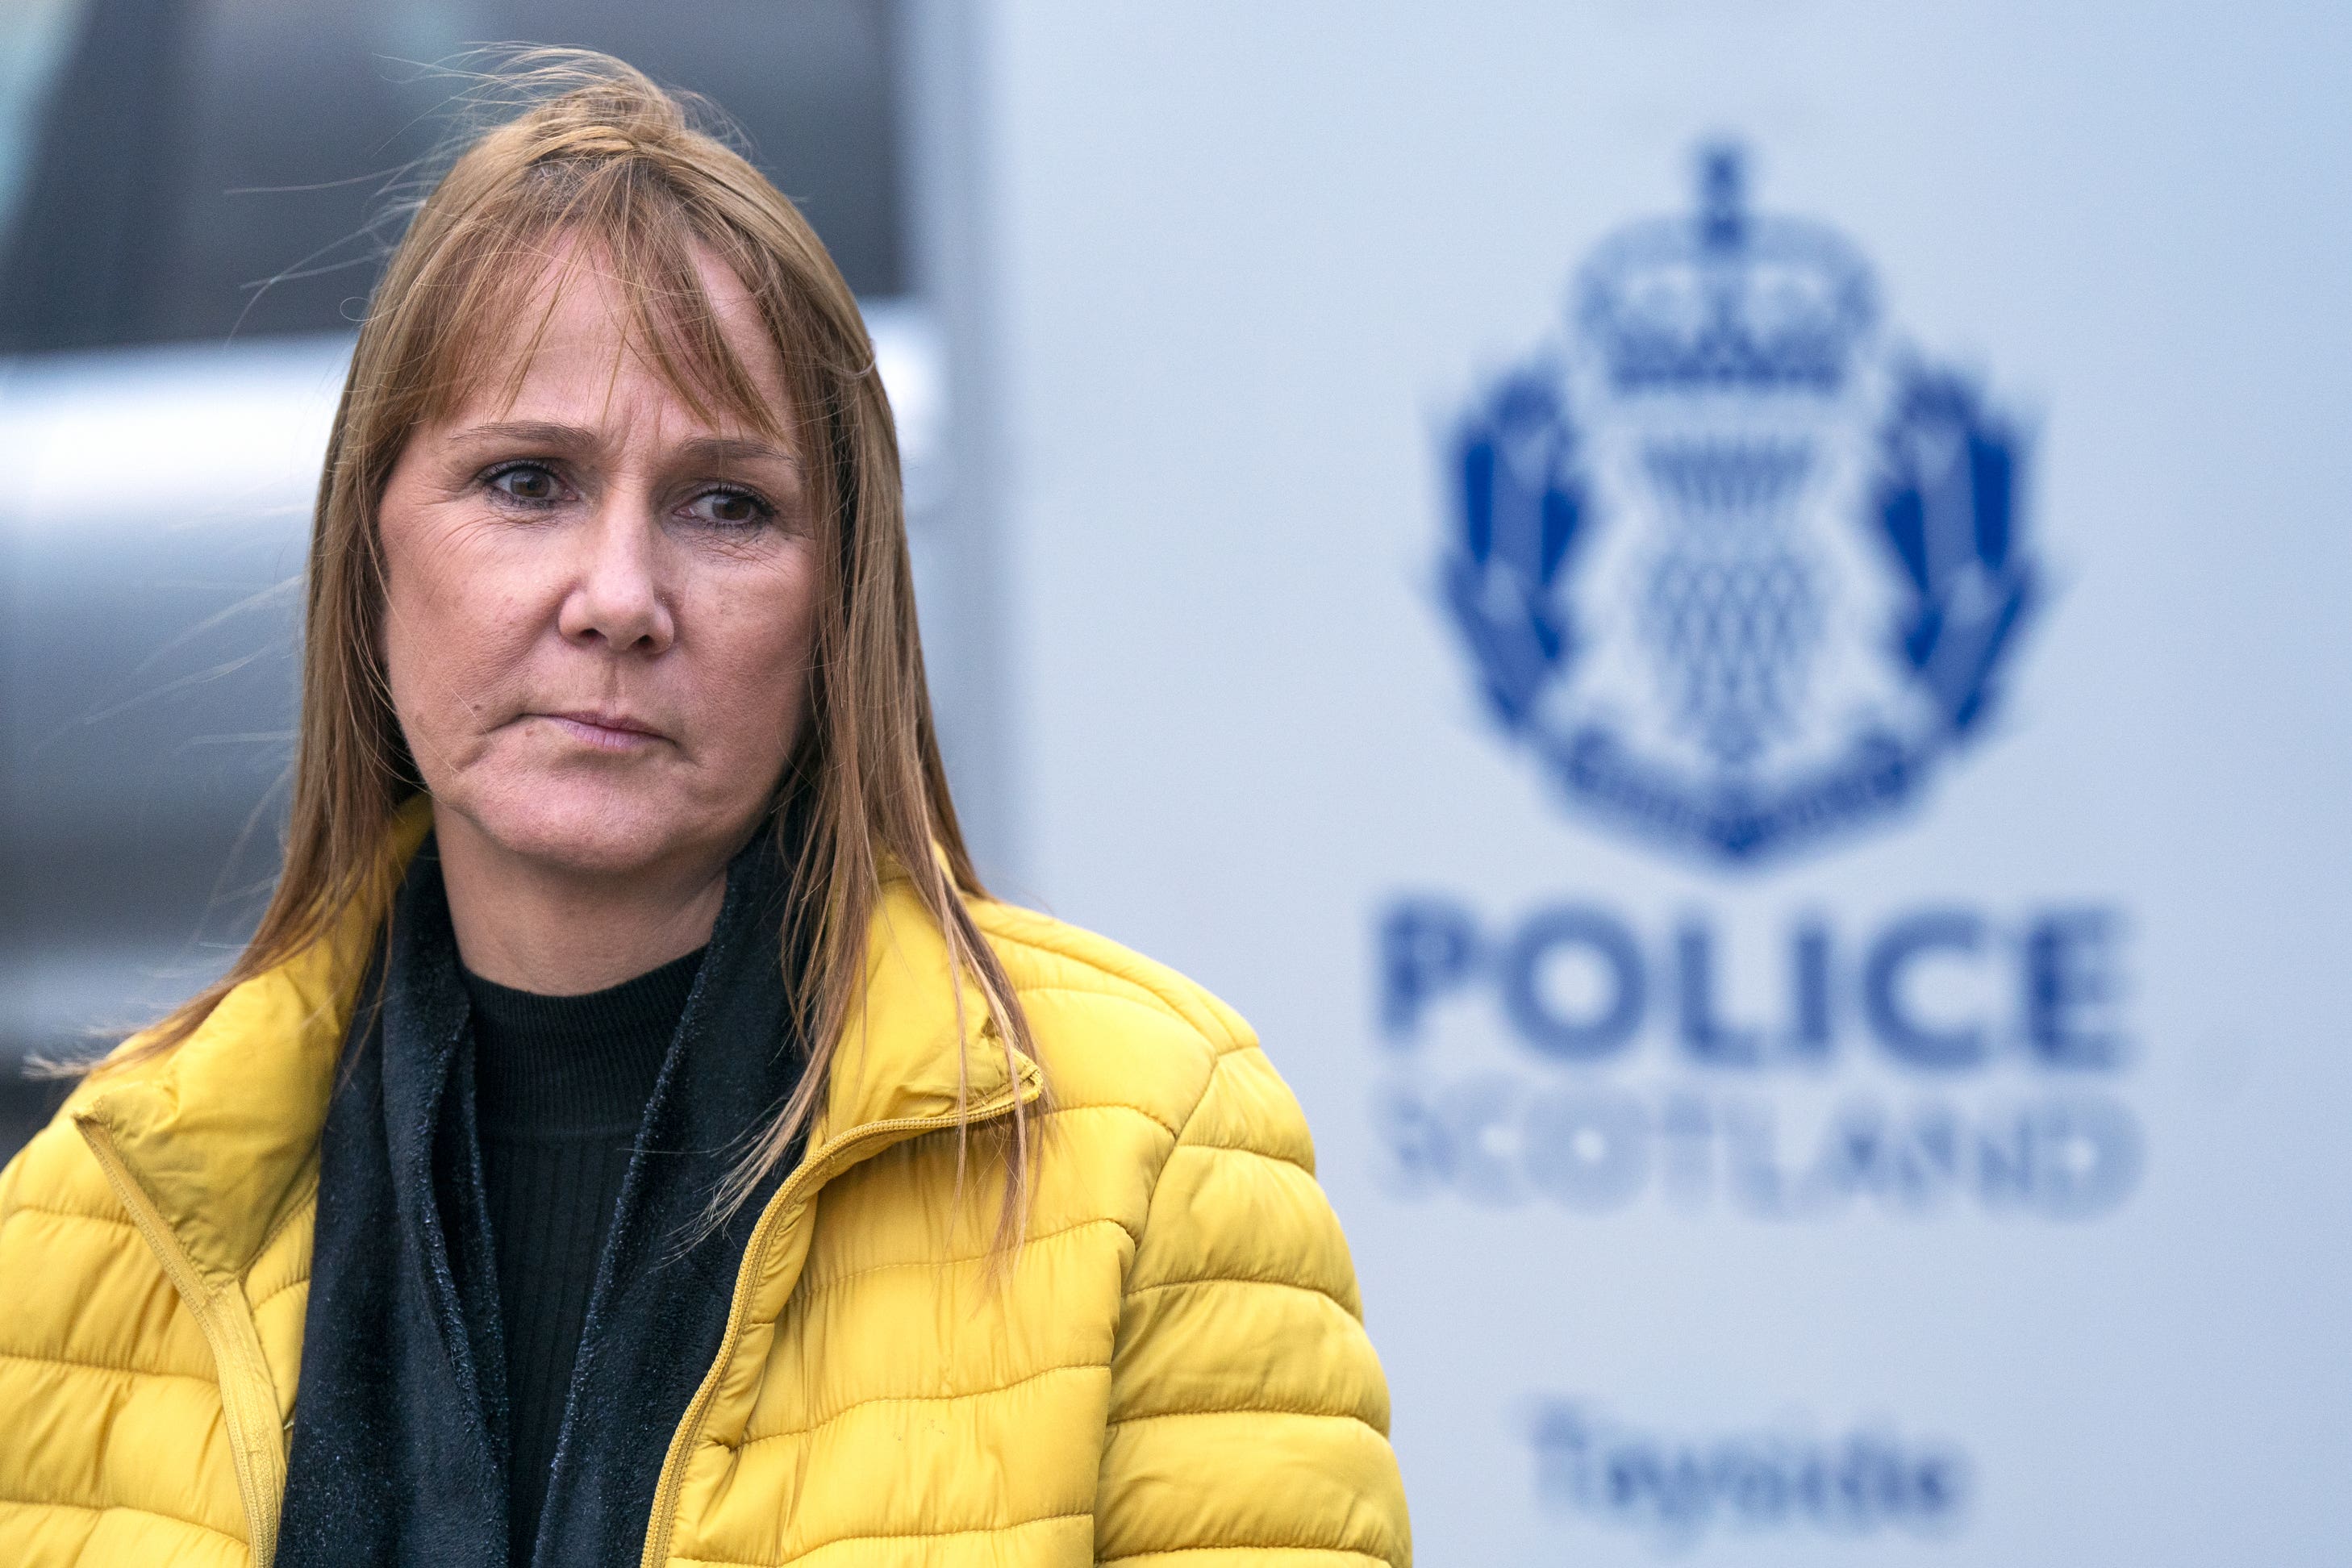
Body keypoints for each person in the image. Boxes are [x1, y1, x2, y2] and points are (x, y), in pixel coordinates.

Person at [0, 52, 1410, 1568]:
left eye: (726, 505)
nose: (618, 599)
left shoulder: (1158, 1148)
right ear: (371, 555)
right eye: (528, 482)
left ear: (837, 603)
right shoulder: (87, 1219)